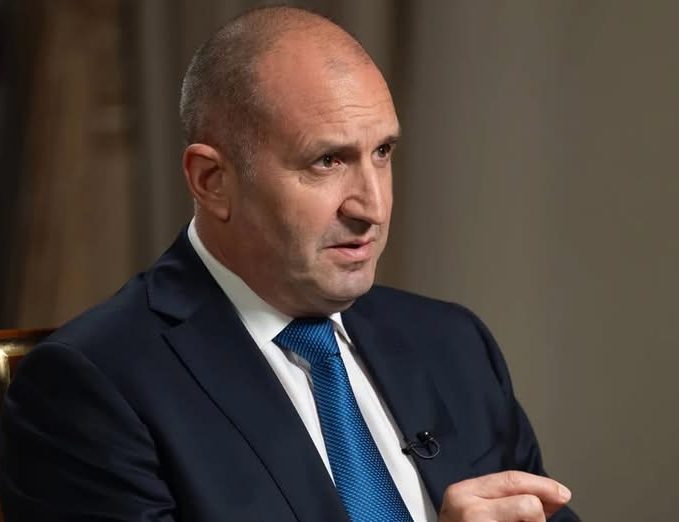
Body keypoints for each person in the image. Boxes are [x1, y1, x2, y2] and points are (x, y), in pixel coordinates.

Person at [0, 6, 579, 522]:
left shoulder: (455, 344)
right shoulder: (90, 387)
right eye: (327, 161)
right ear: (212, 181)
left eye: (382, 152)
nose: (372, 207)